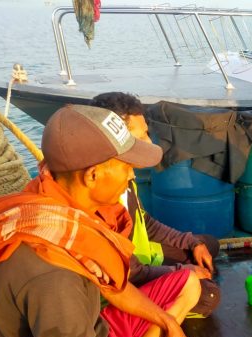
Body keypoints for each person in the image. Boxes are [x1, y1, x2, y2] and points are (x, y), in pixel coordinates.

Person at [0, 105, 229, 337]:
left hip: (92, 334)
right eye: (126, 167)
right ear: (92, 175)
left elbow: (113, 285)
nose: (132, 177)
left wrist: (168, 322)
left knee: (188, 282)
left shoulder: (57, 206)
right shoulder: (51, 278)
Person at [91, 92, 220, 318]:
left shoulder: (126, 179)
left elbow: (145, 222)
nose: (149, 142)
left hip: (144, 257)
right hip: (131, 280)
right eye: (142, 136)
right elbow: (132, 274)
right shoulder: (101, 193)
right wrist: (183, 272)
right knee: (209, 295)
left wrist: (191, 242)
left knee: (207, 244)